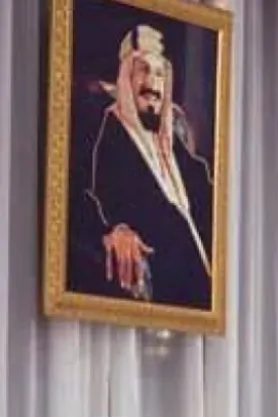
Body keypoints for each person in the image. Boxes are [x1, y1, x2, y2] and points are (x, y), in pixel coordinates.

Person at [78, 25, 214, 308]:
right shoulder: (107, 132)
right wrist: (114, 230)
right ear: (126, 77)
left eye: (160, 73)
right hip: (160, 297)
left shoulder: (178, 151)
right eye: (142, 70)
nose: (153, 83)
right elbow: (75, 194)